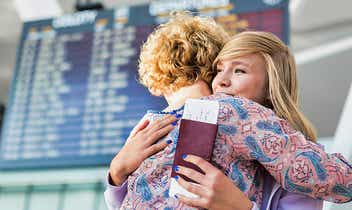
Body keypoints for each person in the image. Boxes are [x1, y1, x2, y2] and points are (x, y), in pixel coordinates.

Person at [105, 13, 352, 209]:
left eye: (239, 70)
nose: (221, 82)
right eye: (219, 70)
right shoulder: (235, 112)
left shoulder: (148, 126)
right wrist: (116, 172)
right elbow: (336, 180)